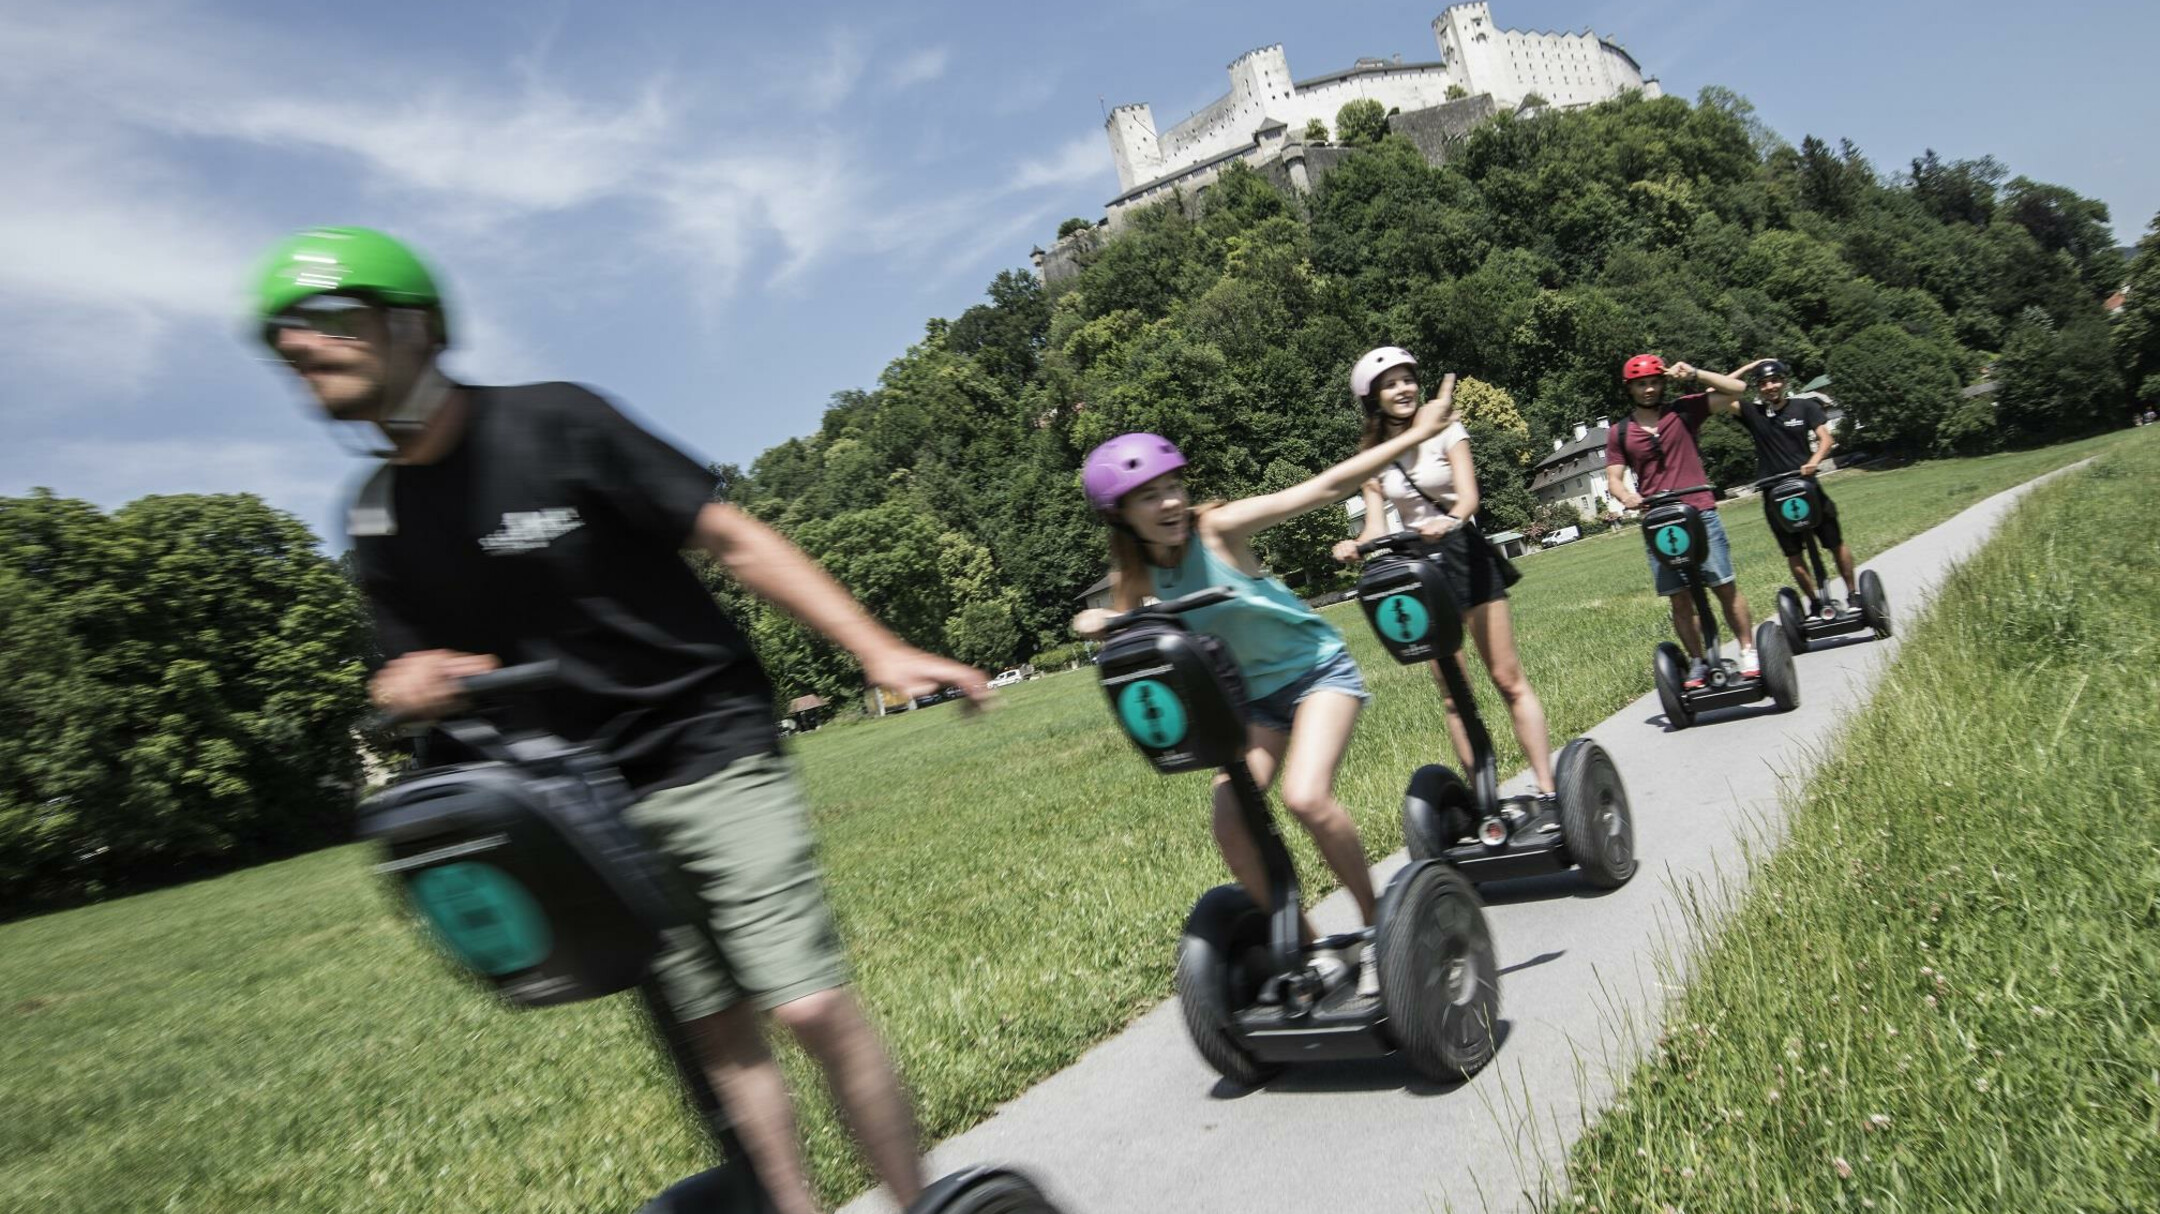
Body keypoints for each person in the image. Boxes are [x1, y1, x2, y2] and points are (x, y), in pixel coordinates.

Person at [252, 226, 983, 1214]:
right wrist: (409, 681)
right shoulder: (377, 514)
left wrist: (875, 648)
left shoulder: (559, 423)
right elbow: (394, 672)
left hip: (706, 741)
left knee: (805, 1001)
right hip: (580, 805)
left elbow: (729, 536)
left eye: (331, 323)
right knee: (719, 1031)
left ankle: (913, 1199)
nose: (308, 350)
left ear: (413, 325)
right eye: (290, 342)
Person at [1071, 383, 1455, 996]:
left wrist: (1414, 435)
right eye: (1149, 496)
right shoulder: (1134, 572)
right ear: (1120, 514)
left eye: (1173, 485)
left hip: (1316, 673)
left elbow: (1320, 489)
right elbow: (1131, 630)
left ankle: (1378, 922)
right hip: (1251, 703)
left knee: (1305, 797)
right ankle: (1309, 948)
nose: (1170, 501)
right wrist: (1099, 623)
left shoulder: (1217, 528)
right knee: (1231, 821)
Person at [1330, 347, 1555, 803]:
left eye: (1408, 379)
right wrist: (1355, 545)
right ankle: (1484, 801)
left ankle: (1549, 788)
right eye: (1390, 384)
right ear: (1372, 398)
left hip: (1462, 552)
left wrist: (1448, 520)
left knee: (1507, 679)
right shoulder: (1374, 455)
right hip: (1416, 569)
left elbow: (1469, 497)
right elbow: (1376, 523)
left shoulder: (1447, 430)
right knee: (1454, 693)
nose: (1404, 389)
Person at [1604, 354, 1759, 688]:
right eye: (1641, 384)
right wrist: (1626, 496)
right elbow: (1614, 478)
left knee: (1723, 585)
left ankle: (1748, 650)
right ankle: (1699, 661)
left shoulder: (1685, 410)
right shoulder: (1619, 432)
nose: (1648, 389)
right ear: (1629, 388)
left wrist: (1696, 373)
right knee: (1679, 597)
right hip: (1658, 520)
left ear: (1663, 382)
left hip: (1699, 509)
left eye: (1654, 382)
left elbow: (1738, 389)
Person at [1716, 358, 1861, 612]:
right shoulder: (1753, 413)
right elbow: (1719, 392)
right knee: (1793, 553)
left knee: (1835, 542)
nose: (1770, 386)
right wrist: (1749, 368)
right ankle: (1816, 603)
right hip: (1774, 491)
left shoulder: (1804, 407)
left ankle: (1853, 594)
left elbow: (1825, 438)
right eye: (1763, 383)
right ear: (1758, 387)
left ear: (1784, 381)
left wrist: (1814, 461)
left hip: (1807, 484)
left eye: (1774, 380)